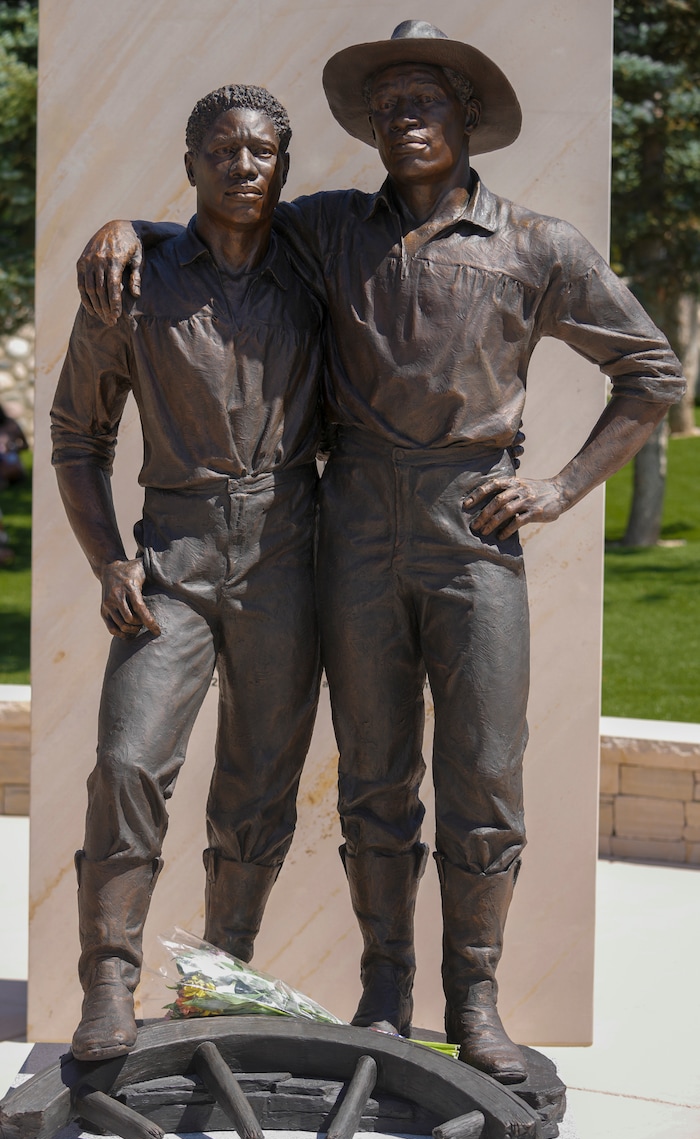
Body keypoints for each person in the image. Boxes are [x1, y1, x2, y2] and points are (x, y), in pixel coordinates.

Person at [76, 21, 685, 1083]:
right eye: (388, 105)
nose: (405, 119)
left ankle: (476, 996)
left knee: (485, 770)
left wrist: (556, 488)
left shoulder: (536, 245)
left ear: (466, 117)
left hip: (471, 530)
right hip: (351, 523)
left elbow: (651, 371)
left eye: (425, 101)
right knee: (373, 775)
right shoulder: (327, 230)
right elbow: (222, 219)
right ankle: (387, 989)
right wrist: (125, 225)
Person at [51, 84, 324, 1061]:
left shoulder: (315, 270)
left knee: (259, 785)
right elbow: (76, 435)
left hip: (289, 561)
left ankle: (221, 974)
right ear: (191, 163)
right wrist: (107, 560)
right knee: (127, 763)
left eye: (261, 152)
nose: (243, 167)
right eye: (222, 151)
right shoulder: (132, 281)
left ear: (282, 166)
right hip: (172, 561)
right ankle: (109, 979)